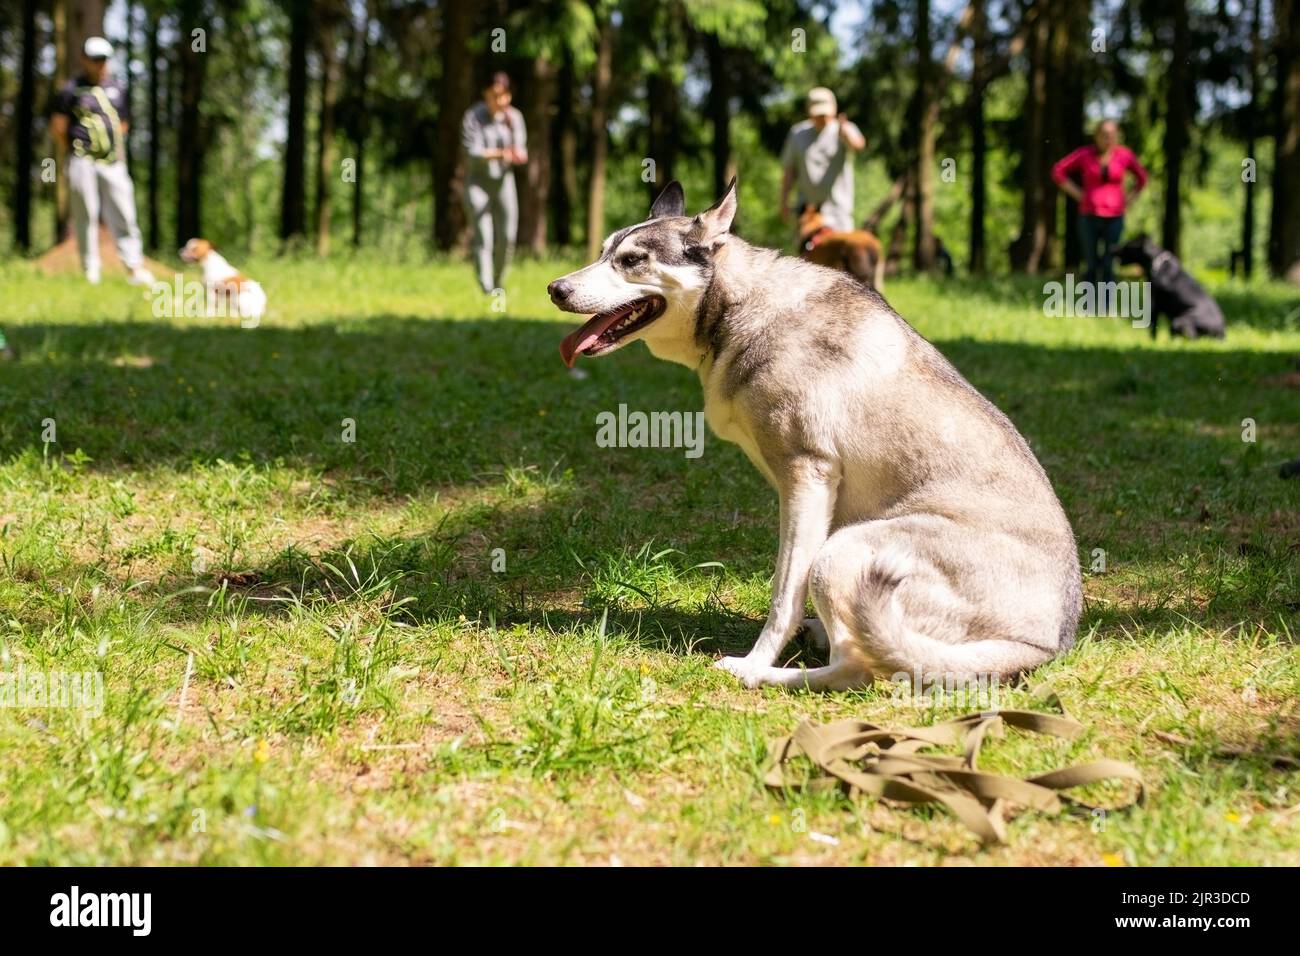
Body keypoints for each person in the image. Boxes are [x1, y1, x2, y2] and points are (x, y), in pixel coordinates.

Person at [50, 37, 152, 286]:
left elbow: (124, 122)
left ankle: (134, 267)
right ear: (84, 59)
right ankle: (90, 271)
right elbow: (59, 126)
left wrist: (113, 148)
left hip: (113, 163)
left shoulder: (117, 88)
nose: (99, 64)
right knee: (85, 215)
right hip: (82, 161)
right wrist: (76, 151)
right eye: (94, 59)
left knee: (125, 212)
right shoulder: (70, 90)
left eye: (103, 59)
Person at [1052, 119, 1149, 285]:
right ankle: (1089, 304)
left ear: (1117, 136)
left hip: (1115, 216)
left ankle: (1106, 304)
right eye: (1104, 135)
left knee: (1109, 262)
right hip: (1089, 215)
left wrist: (1129, 200)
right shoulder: (1085, 154)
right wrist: (1077, 193)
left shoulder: (1124, 155)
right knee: (1090, 261)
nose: (1107, 139)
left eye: (1111, 135)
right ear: (1096, 136)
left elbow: (1142, 178)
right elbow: (1058, 171)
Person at [461, 72, 527, 294]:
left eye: (502, 95)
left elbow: (520, 148)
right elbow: (472, 153)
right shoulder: (474, 116)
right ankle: (486, 288)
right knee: (484, 236)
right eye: (493, 95)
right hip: (478, 182)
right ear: (485, 94)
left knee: (507, 236)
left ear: (508, 96)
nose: (498, 100)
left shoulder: (514, 117)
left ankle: (499, 282)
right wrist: (501, 153)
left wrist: (518, 155)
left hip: (503, 182)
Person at [779, 87, 866, 240]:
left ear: (833, 110)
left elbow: (859, 144)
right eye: (817, 114)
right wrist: (784, 201)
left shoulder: (844, 129)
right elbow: (789, 171)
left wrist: (845, 135)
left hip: (838, 212)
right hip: (808, 213)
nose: (821, 118)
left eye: (825, 114)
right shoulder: (797, 133)